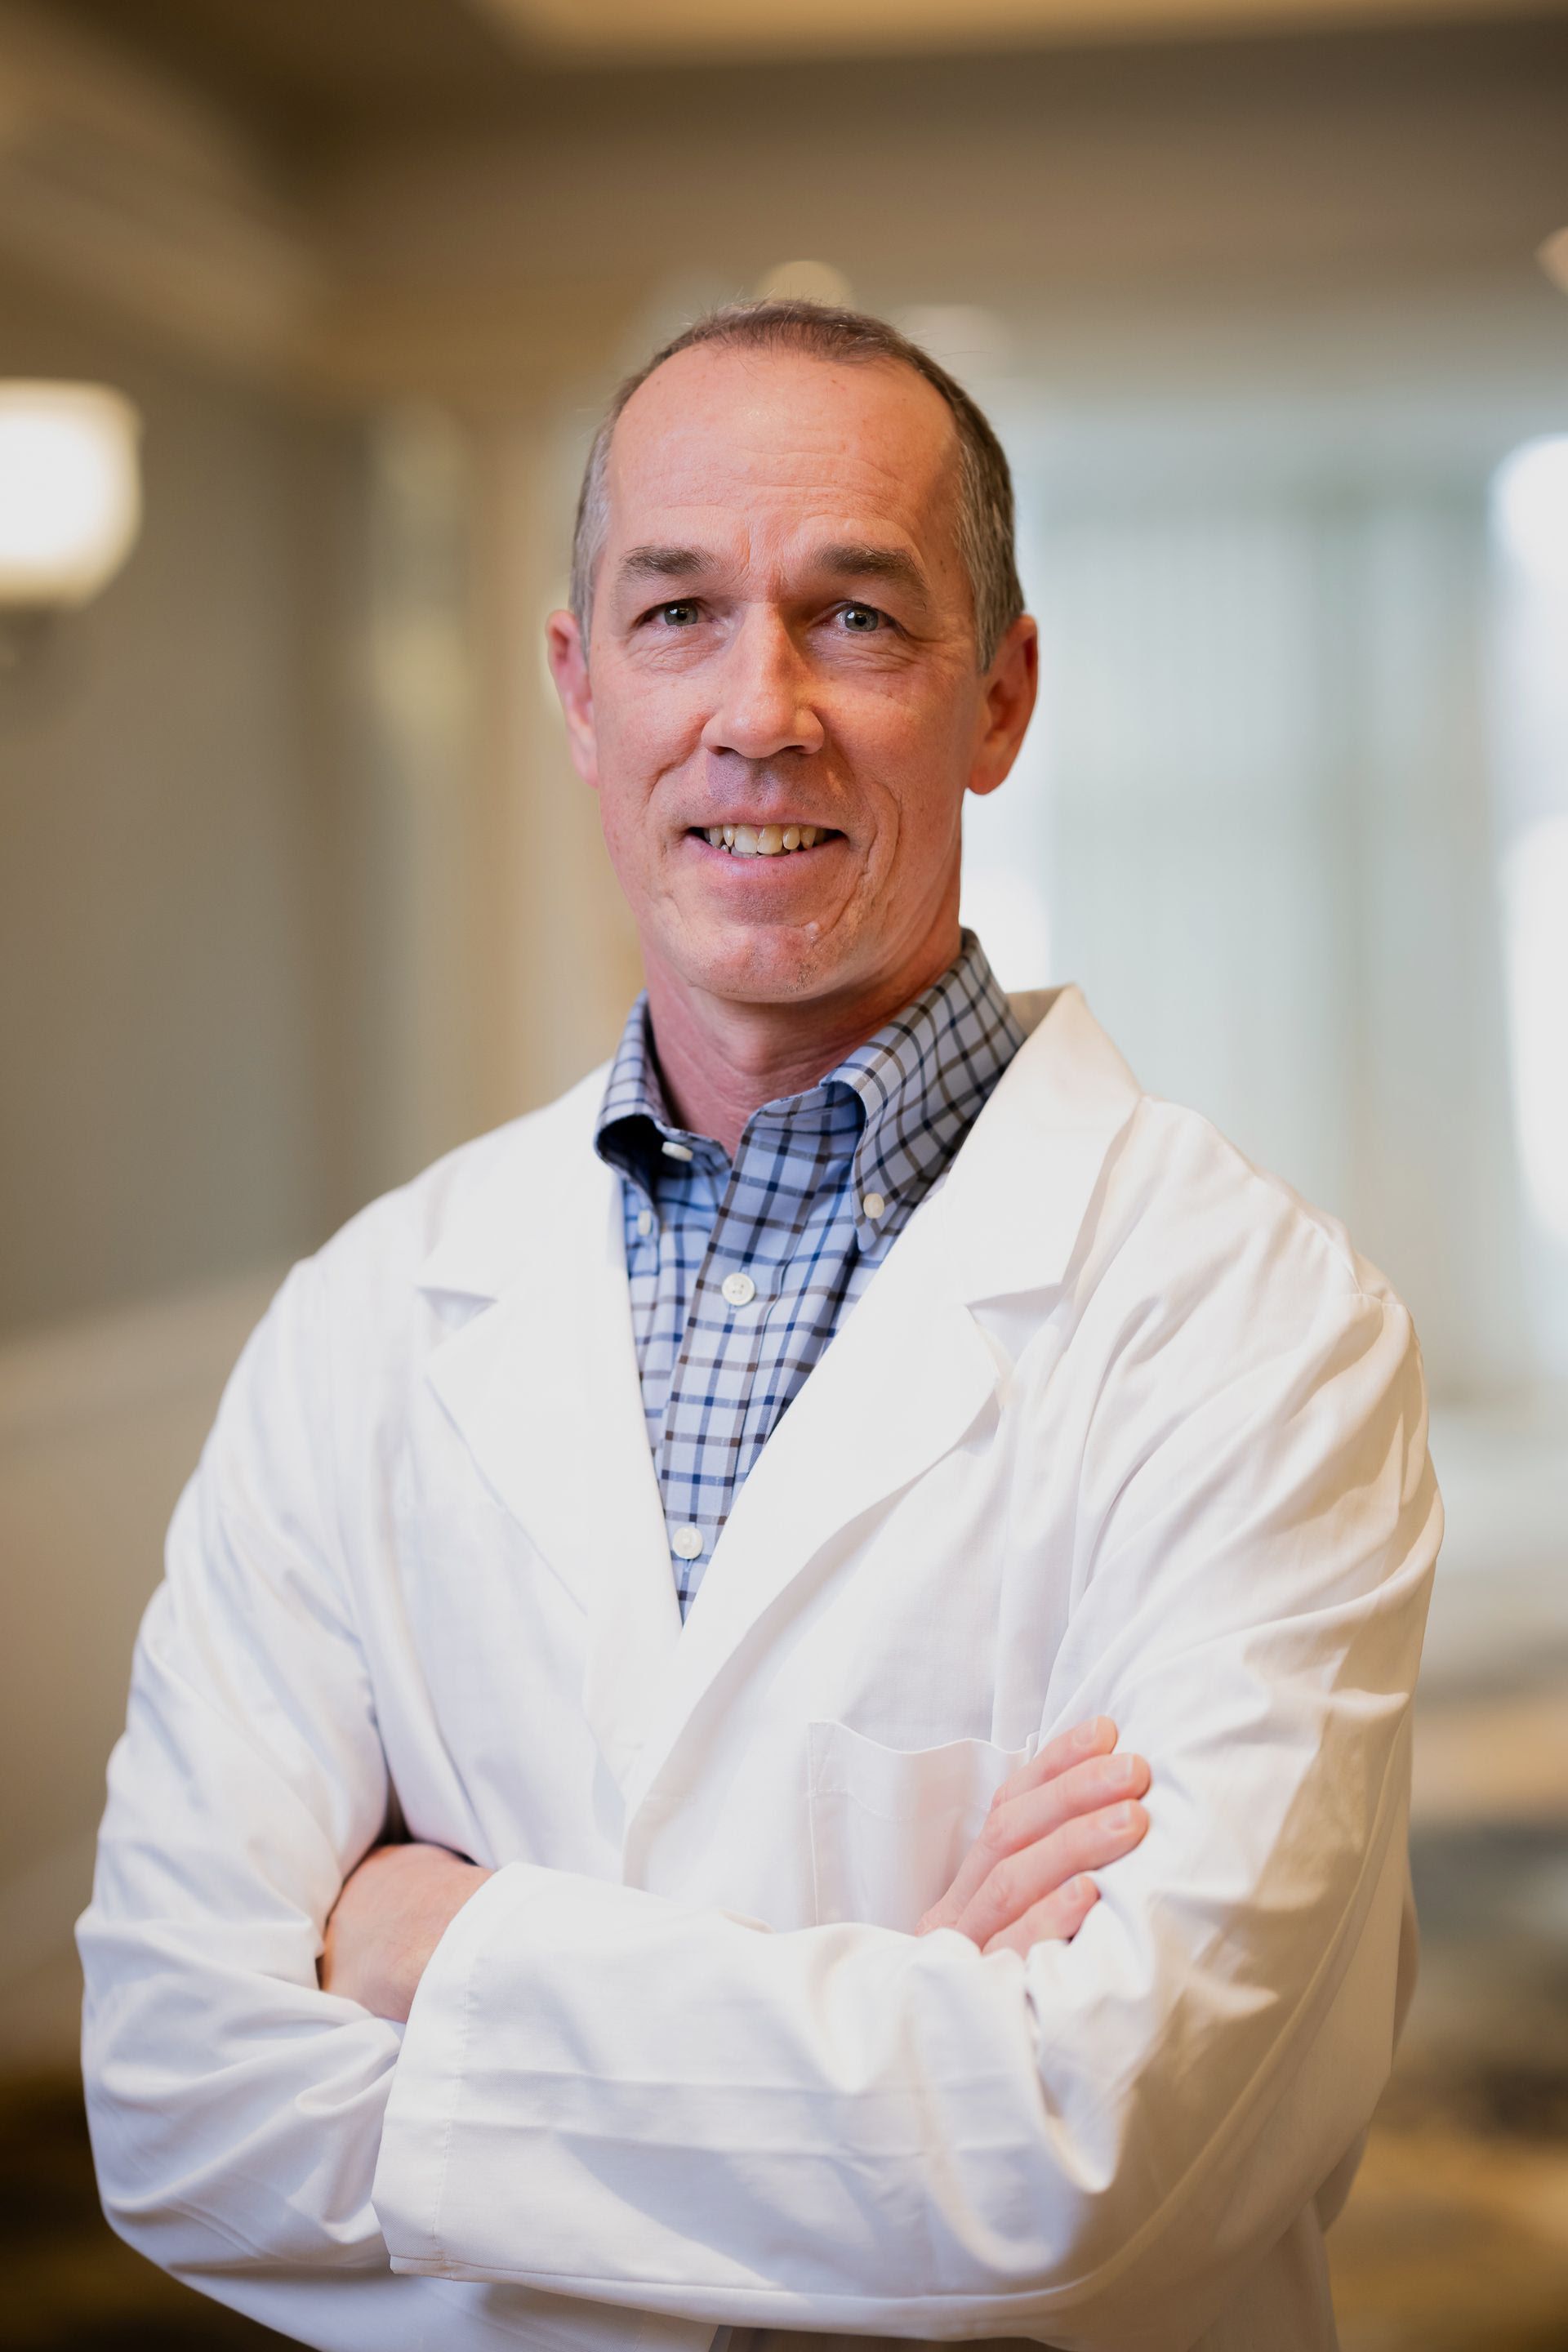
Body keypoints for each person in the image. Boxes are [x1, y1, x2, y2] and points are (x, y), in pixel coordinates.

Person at [78, 301, 1439, 2352]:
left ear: (1001, 695)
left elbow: (1082, 2147)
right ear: (574, 686)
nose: (758, 710)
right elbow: (176, 2102)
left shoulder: (1261, 1330)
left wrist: (439, 1950)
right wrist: (906, 2009)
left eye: (858, 621)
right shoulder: (370, 1318)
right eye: (677, 613)